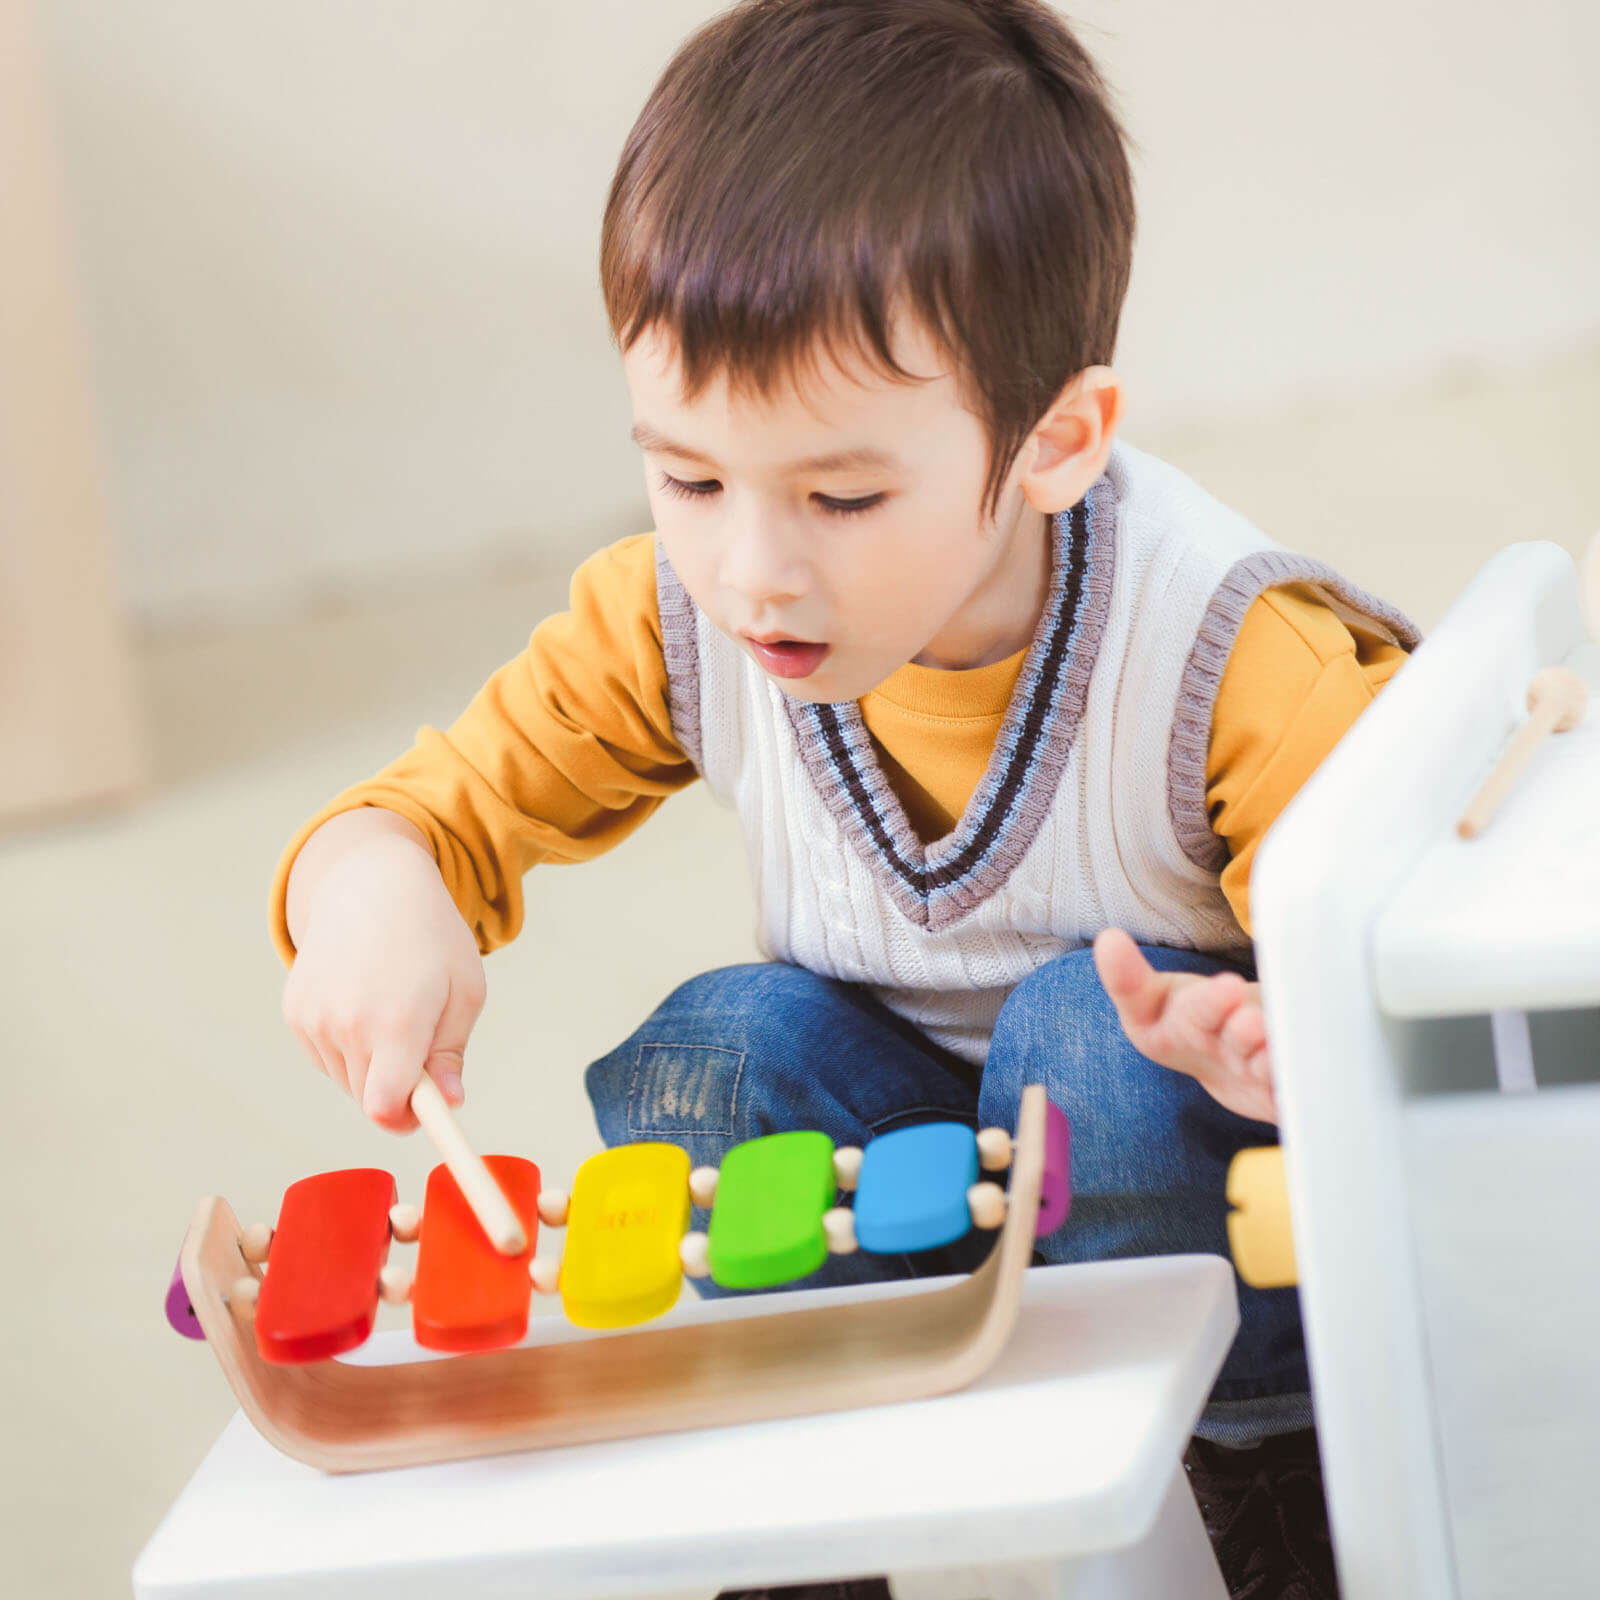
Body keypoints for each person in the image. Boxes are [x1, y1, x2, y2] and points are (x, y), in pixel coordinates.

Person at [271, 4, 1417, 1594]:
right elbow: (426, 811)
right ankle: (807, 1494)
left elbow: (1430, 961)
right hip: (905, 1188)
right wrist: (373, 894)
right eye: (687, 478)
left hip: (1181, 1216)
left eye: (843, 494)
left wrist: (1310, 1050)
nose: (754, 566)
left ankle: (1273, 1493)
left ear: (1058, 442)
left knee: (1084, 1038)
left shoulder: (1230, 652)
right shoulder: (677, 619)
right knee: (717, 1051)